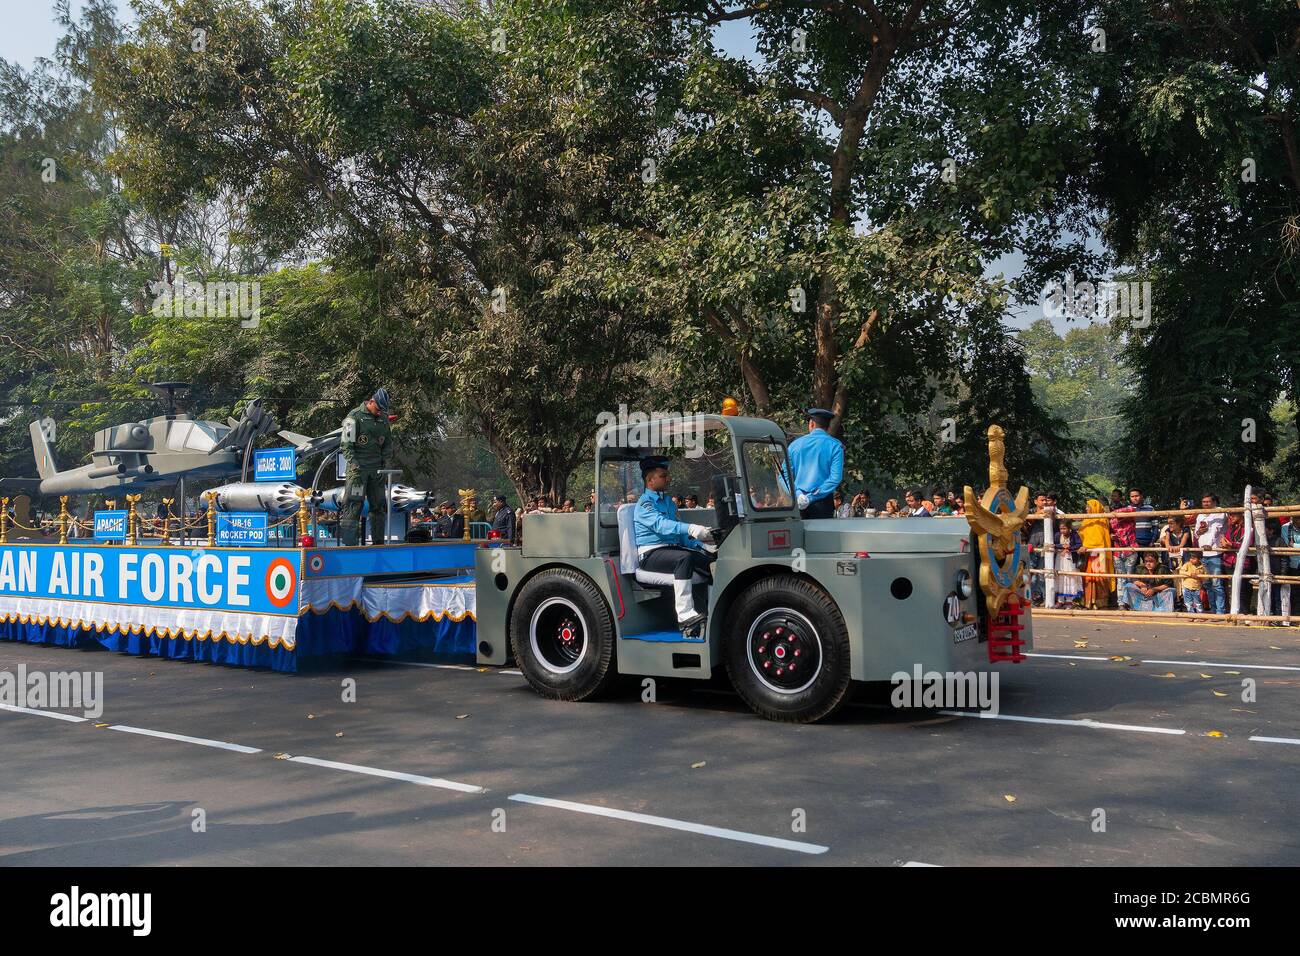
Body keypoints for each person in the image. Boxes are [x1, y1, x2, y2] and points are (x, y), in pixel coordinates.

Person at [634, 456, 717, 630]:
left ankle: (714, 612)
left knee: (713, 564)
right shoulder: (644, 504)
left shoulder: (668, 502)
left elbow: (678, 536)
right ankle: (684, 615)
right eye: (663, 476)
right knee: (684, 558)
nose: (668, 478)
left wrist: (701, 546)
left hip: (672, 549)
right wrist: (691, 528)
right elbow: (662, 526)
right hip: (651, 554)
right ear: (650, 480)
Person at [339, 387, 394, 546]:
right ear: (371, 402)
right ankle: (350, 544)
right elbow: (346, 445)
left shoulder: (383, 419)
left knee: (379, 506)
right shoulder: (354, 417)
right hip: (358, 471)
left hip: (377, 471)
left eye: (382, 410)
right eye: (378, 409)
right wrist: (354, 464)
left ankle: (378, 542)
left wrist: (384, 462)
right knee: (353, 505)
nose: (379, 412)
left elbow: (388, 444)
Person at [786, 407, 844, 519]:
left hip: (797, 502)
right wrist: (811, 497)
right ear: (828, 427)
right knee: (821, 536)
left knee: (797, 535)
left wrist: (798, 493)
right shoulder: (835, 446)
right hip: (822, 503)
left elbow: (784, 475)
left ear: (811, 424)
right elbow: (835, 478)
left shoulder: (794, 445)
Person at [1194, 494, 1227, 614]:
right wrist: (1198, 532)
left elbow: (1216, 530)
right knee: (1208, 584)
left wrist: (1209, 544)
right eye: (1203, 502)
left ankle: (1220, 611)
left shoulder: (1220, 512)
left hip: (1215, 552)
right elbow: (1196, 533)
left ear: (1214, 502)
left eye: (1208, 502)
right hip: (1203, 553)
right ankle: (1213, 610)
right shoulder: (1200, 514)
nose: (1205, 504)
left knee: (1216, 584)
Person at [1079, 499, 1115, 610]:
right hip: (1089, 554)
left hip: (1101, 554)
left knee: (1100, 577)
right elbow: (1082, 535)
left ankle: (1101, 603)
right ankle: (1089, 602)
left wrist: (1087, 546)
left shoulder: (1102, 520)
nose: (1086, 509)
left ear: (1095, 508)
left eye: (1088, 507)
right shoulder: (1086, 520)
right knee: (1088, 578)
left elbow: (1100, 538)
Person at [1053, 518, 1084, 608]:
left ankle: (1069, 601)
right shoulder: (1057, 535)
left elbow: (1079, 544)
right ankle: (1060, 601)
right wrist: (1062, 546)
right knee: (1060, 576)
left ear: (1069, 528)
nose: (1062, 531)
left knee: (1070, 576)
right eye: (1061, 529)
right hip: (1060, 559)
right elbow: (1054, 544)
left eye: (1064, 529)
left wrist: (1068, 548)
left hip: (1070, 559)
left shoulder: (1074, 535)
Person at [1279, 514, 1300, 625]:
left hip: (1295, 560)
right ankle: (1295, 618)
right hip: (1293, 563)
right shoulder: (1285, 528)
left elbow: (1291, 546)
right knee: (1294, 591)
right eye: (1297, 518)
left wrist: (1295, 546)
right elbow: (1286, 545)